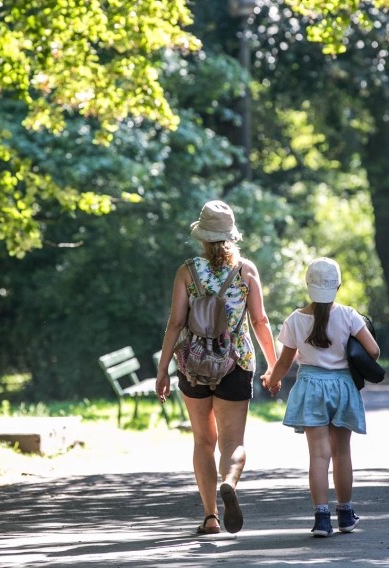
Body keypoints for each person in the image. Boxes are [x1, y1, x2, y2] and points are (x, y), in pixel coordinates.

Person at [155, 200, 277, 535]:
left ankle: (210, 517)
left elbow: (176, 322)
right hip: (236, 363)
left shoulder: (187, 271)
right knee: (233, 442)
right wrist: (274, 365)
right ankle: (230, 484)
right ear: (232, 235)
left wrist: (163, 368)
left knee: (202, 441)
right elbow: (260, 321)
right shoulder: (245, 270)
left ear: (203, 237)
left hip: (193, 363)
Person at [262, 257, 380, 537]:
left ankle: (322, 519)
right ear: (338, 285)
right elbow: (373, 351)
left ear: (308, 285)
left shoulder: (295, 320)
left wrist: (272, 380)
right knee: (342, 454)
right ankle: (346, 515)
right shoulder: (349, 315)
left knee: (318, 455)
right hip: (342, 387)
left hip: (311, 386)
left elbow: (284, 362)